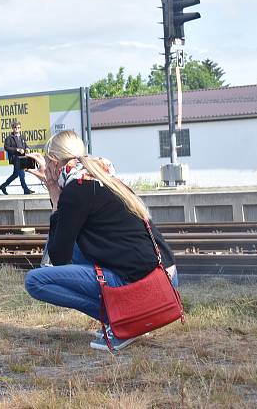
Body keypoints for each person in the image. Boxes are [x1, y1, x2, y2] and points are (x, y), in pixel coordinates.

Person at [23, 130, 178, 351]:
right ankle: (132, 315)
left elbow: (56, 258)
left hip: (145, 287)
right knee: (75, 246)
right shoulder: (103, 175)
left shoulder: (76, 190)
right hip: (165, 280)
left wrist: (55, 195)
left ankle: (127, 320)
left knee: (35, 281)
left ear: (54, 163)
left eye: (47, 163)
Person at [0, 121, 33, 195]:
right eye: (15, 128)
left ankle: (3, 186)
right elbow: (6, 147)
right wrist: (17, 149)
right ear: (12, 128)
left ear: (20, 128)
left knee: (15, 175)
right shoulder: (9, 138)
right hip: (15, 158)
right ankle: (26, 190)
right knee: (22, 174)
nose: (17, 129)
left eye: (18, 128)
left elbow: (25, 145)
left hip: (22, 158)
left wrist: (27, 148)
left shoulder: (22, 137)